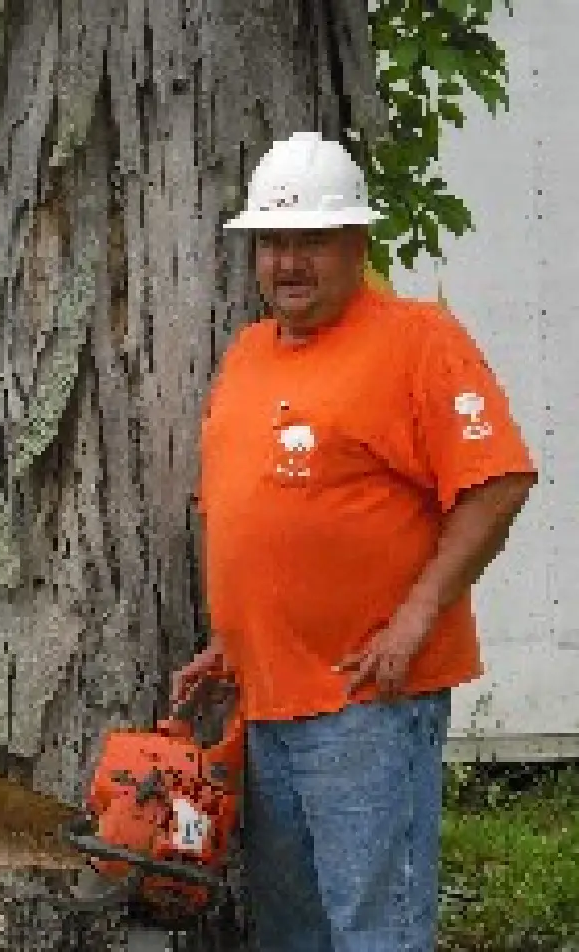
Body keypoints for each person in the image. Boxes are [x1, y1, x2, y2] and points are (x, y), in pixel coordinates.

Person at [171, 131, 537, 952]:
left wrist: (416, 616)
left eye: (311, 242)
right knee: (293, 933)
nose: (287, 264)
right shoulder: (249, 353)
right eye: (272, 244)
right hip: (267, 701)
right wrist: (233, 639)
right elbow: (260, 514)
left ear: (356, 244)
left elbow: (498, 480)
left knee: (376, 930)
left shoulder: (417, 340)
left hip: (368, 700)